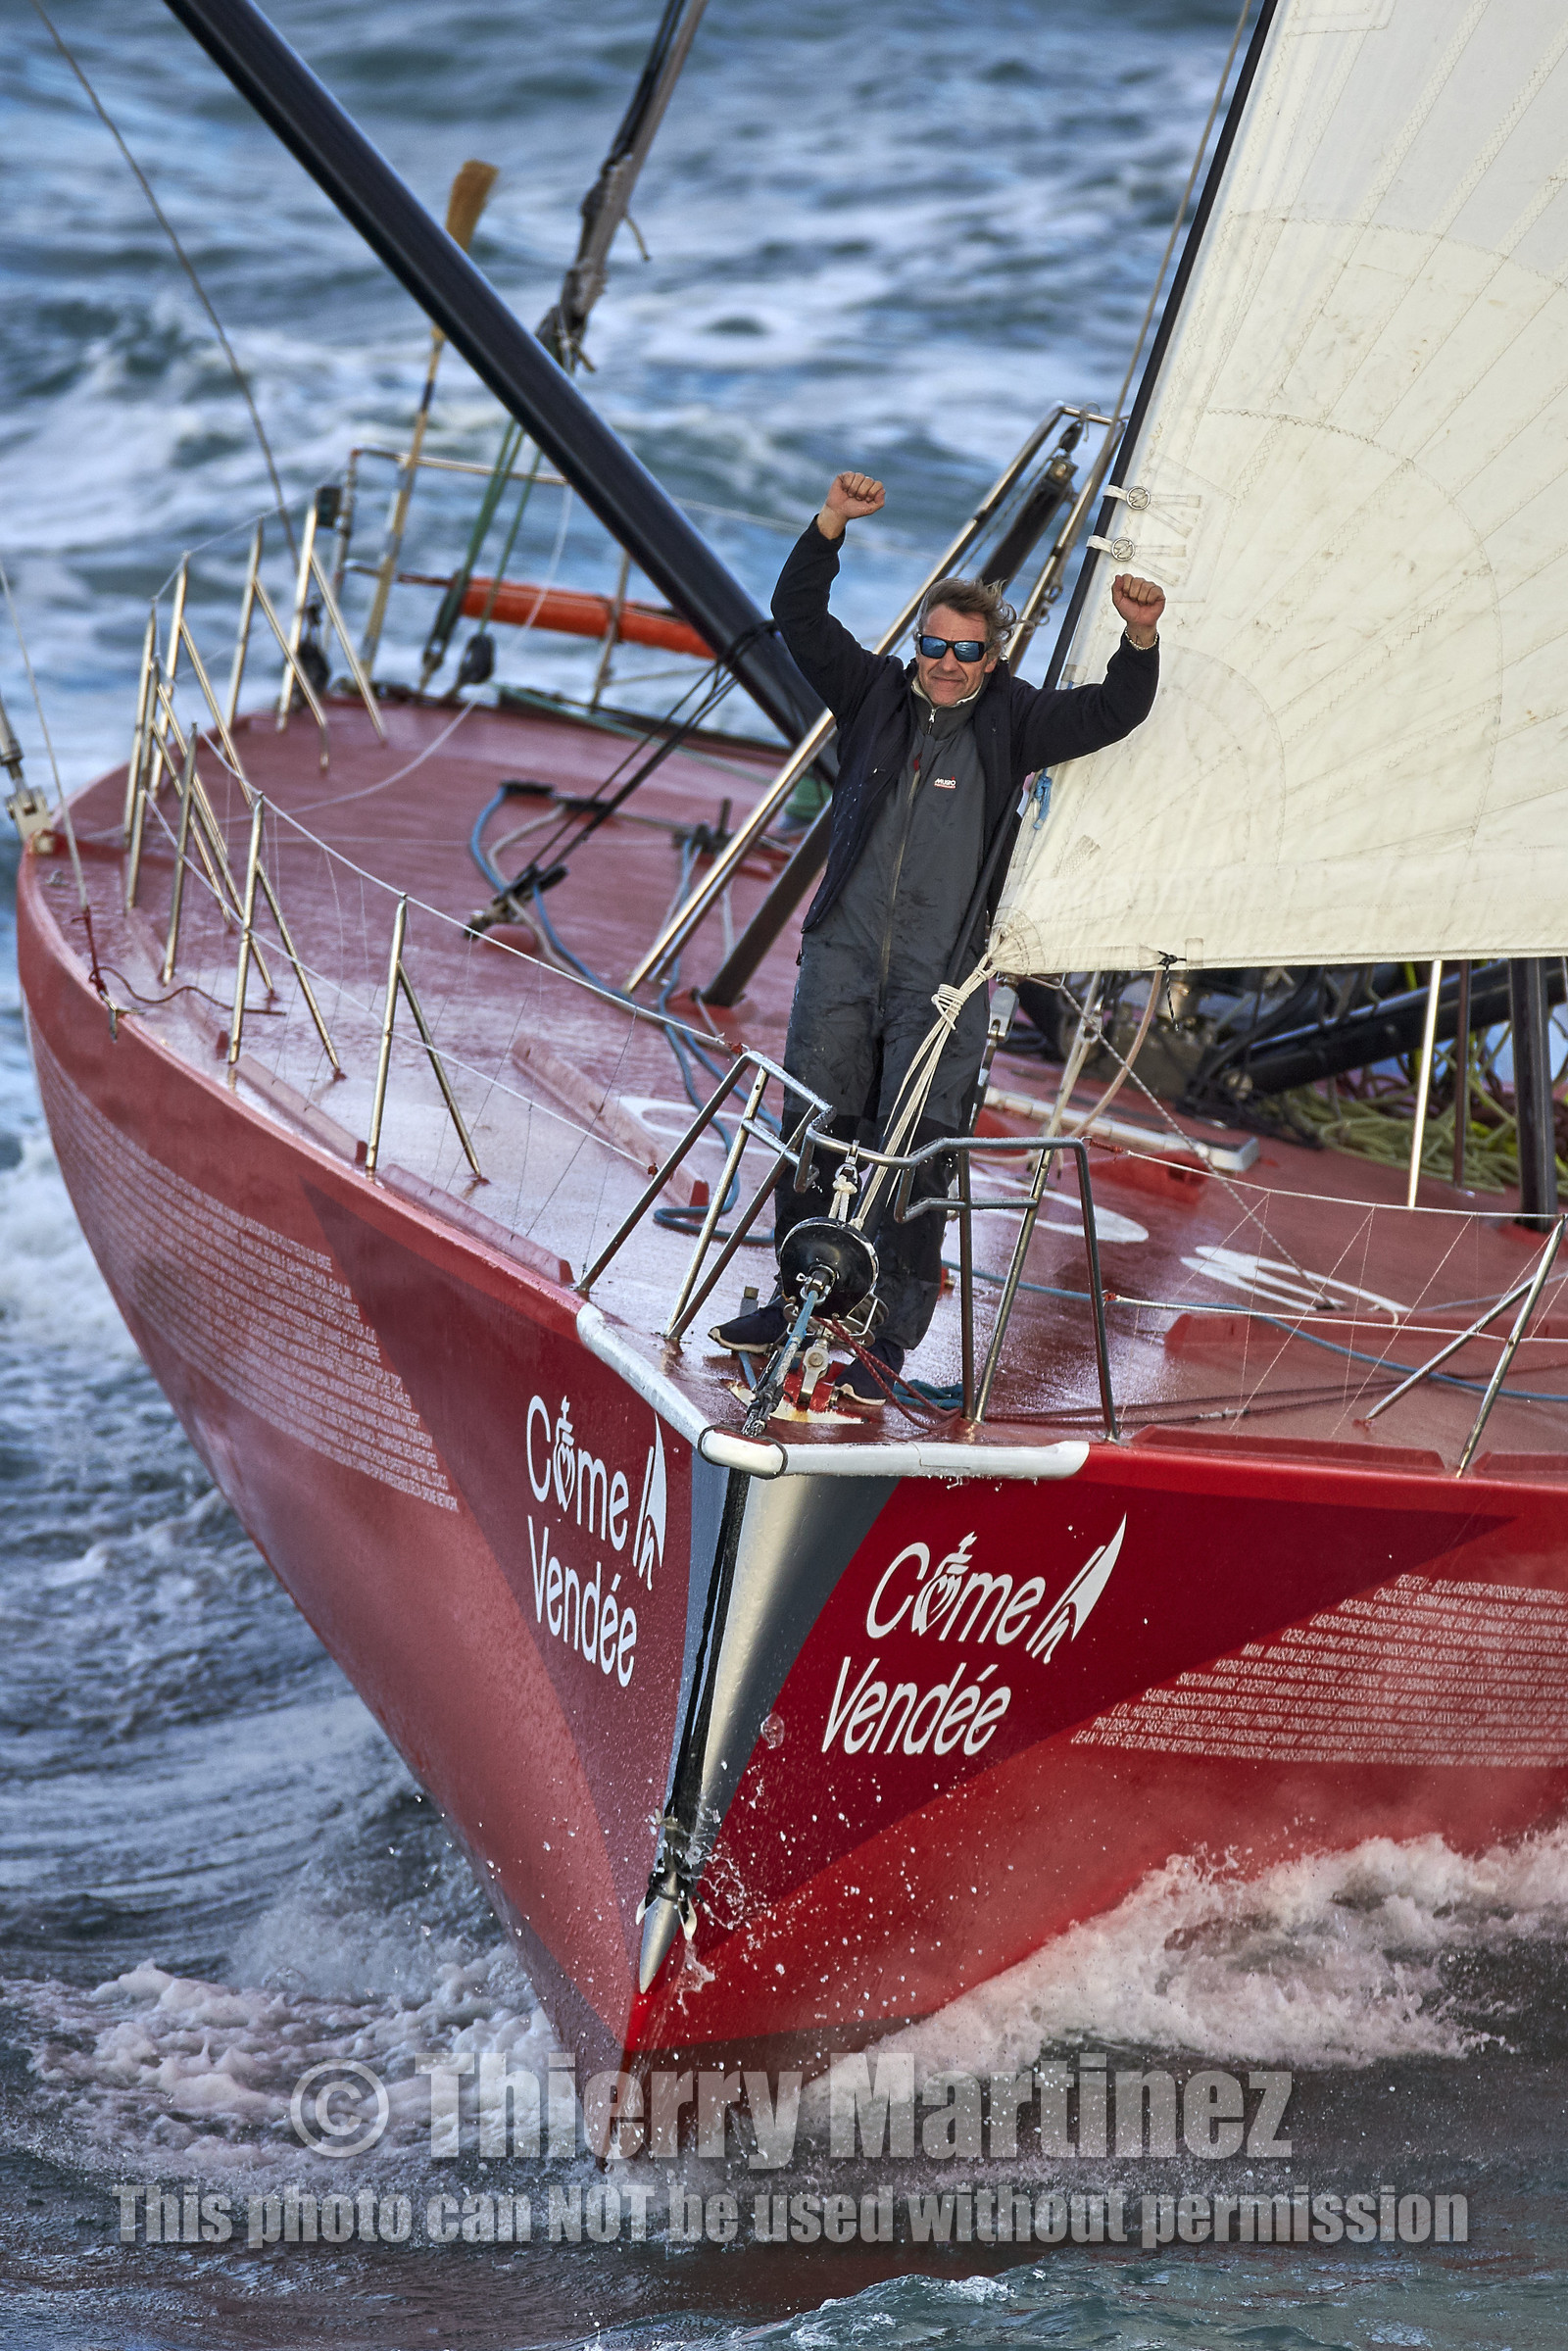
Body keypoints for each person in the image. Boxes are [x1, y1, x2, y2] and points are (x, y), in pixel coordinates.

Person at [712, 467, 1164, 1406]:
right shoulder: (875, 694)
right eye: (933, 646)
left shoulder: (1018, 718)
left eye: (965, 651)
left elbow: (1116, 712)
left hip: (941, 979)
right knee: (813, 1130)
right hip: (842, 955)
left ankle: (887, 1340)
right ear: (916, 646)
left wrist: (1139, 637)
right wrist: (830, 523)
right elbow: (798, 615)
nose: (946, 664)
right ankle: (796, 1294)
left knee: (917, 1152)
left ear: (992, 659)